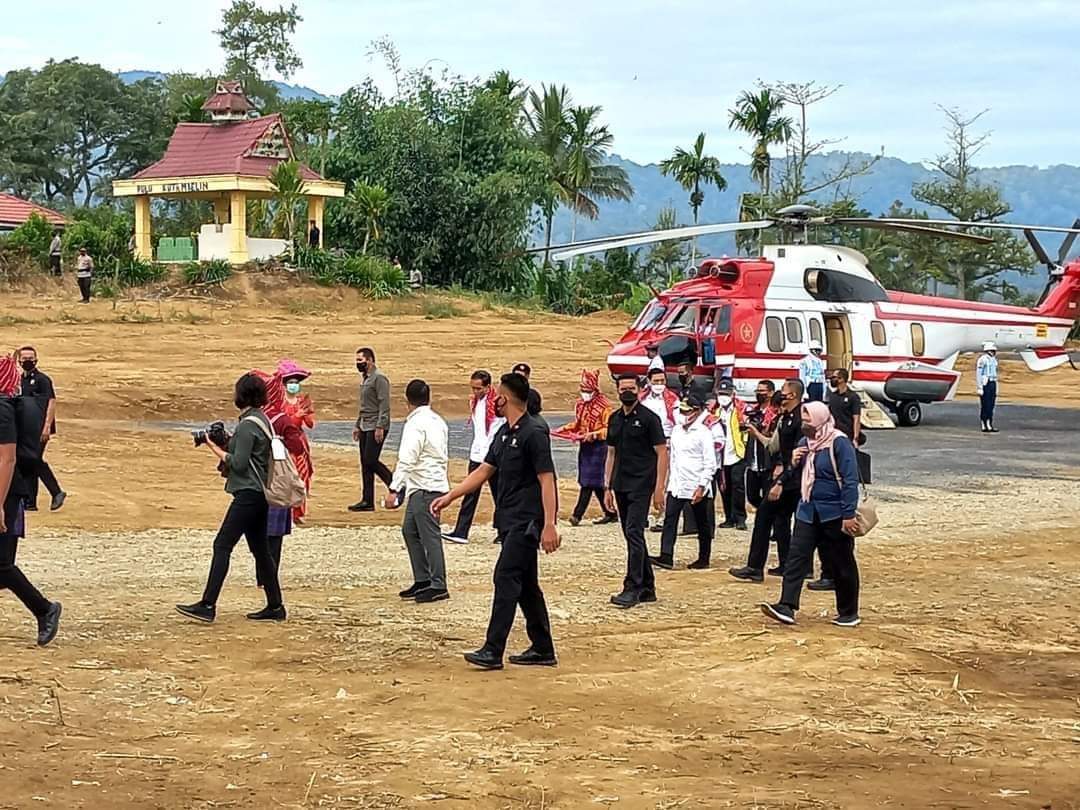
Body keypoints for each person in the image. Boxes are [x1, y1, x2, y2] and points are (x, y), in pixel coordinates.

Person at [431, 373, 561, 670]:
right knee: (526, 585)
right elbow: (484, 471)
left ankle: (493, 649)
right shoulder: (504, 433)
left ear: (508, 397)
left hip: (527, 522)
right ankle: (543, 648)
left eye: (497, 395)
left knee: (505, 577)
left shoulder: (534, 432)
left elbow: (547, 479)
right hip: (508, 518)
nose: (494, 400)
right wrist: (450, 496)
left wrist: (549, 524)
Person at [176, 373, 285, 624]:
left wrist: (211, 446)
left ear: (242, 395)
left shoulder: (248, 425)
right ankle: (275, 605)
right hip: (260, 495)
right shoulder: (261, 420)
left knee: (222, 545)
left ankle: (208, 604)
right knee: (261, 552)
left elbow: (238, 462)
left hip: (247, 494)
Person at [761, 401, 862, 628]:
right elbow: (795, 473)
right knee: (796, 559)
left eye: (807, 419)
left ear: (819, 419)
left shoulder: (839, 443)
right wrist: (791, 465)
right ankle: (786, 605)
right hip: (808, 510)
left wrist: (848, 513)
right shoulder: (805, 443)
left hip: (834, 513)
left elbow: (850, 480)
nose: (804, 423)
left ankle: (849, 612)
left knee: (841, 562)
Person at [0, 354, 62, 647]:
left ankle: (45, 609)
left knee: (2, 566)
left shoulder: (2, 409)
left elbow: (7, 459)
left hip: (6, 496)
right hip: (6, 494)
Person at [730, 378, 804, 582]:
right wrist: (755, 433)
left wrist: (780, 481)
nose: (781, 394)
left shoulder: (801, 419)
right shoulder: (785, 418)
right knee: (774, 519)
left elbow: (798, 455)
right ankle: (780, 565)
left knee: (773, 518)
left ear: (794, 395)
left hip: (794, 479)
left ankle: (759, 567)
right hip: (786, 477)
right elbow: (773, 446)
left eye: (784, 391)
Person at [605, 374, 667, 608]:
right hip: (620, 483)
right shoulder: (614, 419)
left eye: (632, 388)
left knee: (633, 532)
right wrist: (607, 486)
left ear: (640, 389)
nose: (627, 392)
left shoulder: (650, 419)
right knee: (632, 535)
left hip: (642, 484)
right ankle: (647, 587)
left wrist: (659, 488)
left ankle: (632, 586)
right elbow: (611, 453)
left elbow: (662, 452)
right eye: (623, 388)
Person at [387, 379, 451, 604]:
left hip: (426, 487)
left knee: (429, 536)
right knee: (410, 531)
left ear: (407, 401)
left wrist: (395, 488)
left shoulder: (415, 424)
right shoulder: (437, 421)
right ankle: (423, 578)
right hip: (425, 486)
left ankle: (438, 583)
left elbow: (407, 457)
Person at [250, 369, 304, 588]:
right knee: (274, 537)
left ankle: (260, 577)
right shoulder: (282, 419)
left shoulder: (253, 417)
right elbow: (297, 446)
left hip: (256, 477)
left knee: (258, 532)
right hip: (277, 479)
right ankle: (270, 578)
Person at [650, 393, 716, 570]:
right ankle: (666, 555)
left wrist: (702, 486)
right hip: (677, 485)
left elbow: (710, 463)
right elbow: (672, 458)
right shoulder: (677, 431)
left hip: (696, 485)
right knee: (670, 520)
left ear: (696, 412)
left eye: (688, 412)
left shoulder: (704, 433)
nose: (684, 415)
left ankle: (704, 558)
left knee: (702, 523)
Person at [443, 370, 504, 544]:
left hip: (493, 456)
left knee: (499, 495)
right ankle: (461, 531)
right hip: (477, 453)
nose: (475, 392)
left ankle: (503, 530)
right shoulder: (475, 402)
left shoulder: (497, 404)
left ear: (488, 386)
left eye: (479, 388)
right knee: (470, 492)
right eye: (473, 388)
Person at [558, 370, 617, 527]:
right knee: (593, 482)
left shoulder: (604, 407)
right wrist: (563, 429)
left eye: (588, 391)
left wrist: (594, 434)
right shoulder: (580, 405)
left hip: (600, 446)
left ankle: (577, 515)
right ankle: (610, 512)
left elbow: (608, 429)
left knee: (589, 482)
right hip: (585, 446)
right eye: (583, 390)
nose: (585, 393)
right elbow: (577, 424)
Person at [17, 347, 66, 512]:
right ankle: (30, 502)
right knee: (27, 462)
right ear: (19, 361)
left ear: (36, 360)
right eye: (24, 358)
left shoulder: (42, 379)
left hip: (39, 428)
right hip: (26, 428)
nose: (28, 361)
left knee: (33, 459)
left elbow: (51, 402)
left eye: (31, 358)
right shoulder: (19, 380)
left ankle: (56, 491)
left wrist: (46, 426)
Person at [349, 348, 392, 512]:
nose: (358, 364)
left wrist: (381, 425)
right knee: (365, 464)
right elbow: (364, 406)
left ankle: (394, 483)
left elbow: (384, 404)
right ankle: (367, 500)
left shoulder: (379, 378)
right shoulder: (366, 379)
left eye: (361, 360)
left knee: (370, 460)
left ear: (370, 360)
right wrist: (357, 424)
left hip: (376, 425)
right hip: (365, 424)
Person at [276, 359, 315, 523]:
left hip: (299, 443)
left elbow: (311, 424)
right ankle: (287, 511)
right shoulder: (280, 402)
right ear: (285, 384)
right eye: (291, 382)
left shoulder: (301, 401)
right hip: (285, 443)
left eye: (296, 382)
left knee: (302, 477)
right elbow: (281, 423)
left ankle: (298, 512)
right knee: (287, 478)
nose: (294, 385)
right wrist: (296, 416)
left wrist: (306, 412)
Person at [640, 367, 678, 532]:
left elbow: (679, 421)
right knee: (645, 480)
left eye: (662, 381)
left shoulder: (672, 400)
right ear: (649, 381)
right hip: (645, 445)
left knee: (664, 480)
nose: (659, 384)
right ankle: (645, 515)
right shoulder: (642, 399)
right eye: (656, 381)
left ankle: (661, 516)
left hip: (666, 444)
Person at [712, 378, 747, 530]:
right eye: (721, 393)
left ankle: (740, 518)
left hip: (736, 453)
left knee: (738, 485)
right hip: (721, 456)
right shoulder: (715, 411)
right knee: (724, 487)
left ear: (732, 394)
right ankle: (728, 517)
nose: (723, 397)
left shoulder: (740, 410)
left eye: (726, 393)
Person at [743, 380, 779, 509]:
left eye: (762, 391)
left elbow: (771, 437)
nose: (759, 394)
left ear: (770, 393)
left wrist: (757, 431)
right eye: (757, 391)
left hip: (767, 461)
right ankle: (763, 512)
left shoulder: (775, 412)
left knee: (767, 495)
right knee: (751, 495)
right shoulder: (753, 410)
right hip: (753, 459)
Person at [827, 368, 862, 447]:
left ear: (841, 379)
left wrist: (856, 438)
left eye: (834, 377)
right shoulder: (832, 396)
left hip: (847, 434)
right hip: (833, 434)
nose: (832, 380)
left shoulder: (853, 397)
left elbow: (856, 418)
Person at [976, 341, 1000, 433]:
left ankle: (989, 423)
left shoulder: (994, 360)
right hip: (985, 383)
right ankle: (983, 423)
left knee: (991, 404)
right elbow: (979, 374)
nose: (994, 352)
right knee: (985, 404)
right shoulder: (982, 359)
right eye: (992, 350)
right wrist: (980, 387)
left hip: (992, 382)